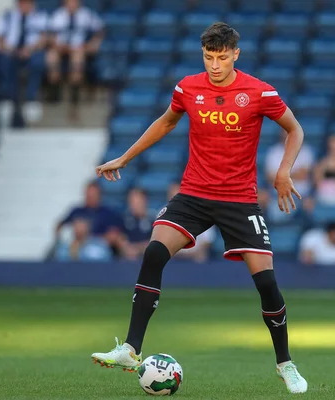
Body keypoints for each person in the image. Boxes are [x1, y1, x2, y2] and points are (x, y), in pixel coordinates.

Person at [91, 23, 307, 394]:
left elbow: (295, 129)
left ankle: (285, 363)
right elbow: (166, 122)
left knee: (267, 283)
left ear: (236, 54)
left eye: (222, 58)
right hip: (194, 193)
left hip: (239, 199)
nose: (215, 65)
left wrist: (283, 172)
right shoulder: (188, 87)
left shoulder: (259, 91)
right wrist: (125, 157)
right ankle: (130, 349)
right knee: (154, 252)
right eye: (209, 57)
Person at [46, 0, 104, 120]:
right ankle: (54, 88)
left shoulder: (87, 15)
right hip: (61, 48)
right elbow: (50, 36)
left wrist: (92, 45)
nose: (72, 4)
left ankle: (74, 95)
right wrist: (58, 46)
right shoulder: (58, 15)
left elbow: (100, 31)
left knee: (77, 57)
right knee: (51, 55)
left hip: (79, 48)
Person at [0, 0, 48, 123]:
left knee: (38, 61)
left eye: (28, 3)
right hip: (11, 52)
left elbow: (44, 39)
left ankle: (31, 98)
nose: (25, 6)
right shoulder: (7, 16)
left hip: (31, 52)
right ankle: (8, 97)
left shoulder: (40, 16)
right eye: (22, 3)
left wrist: (29, 49)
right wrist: (10, 49)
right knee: (5, 61)